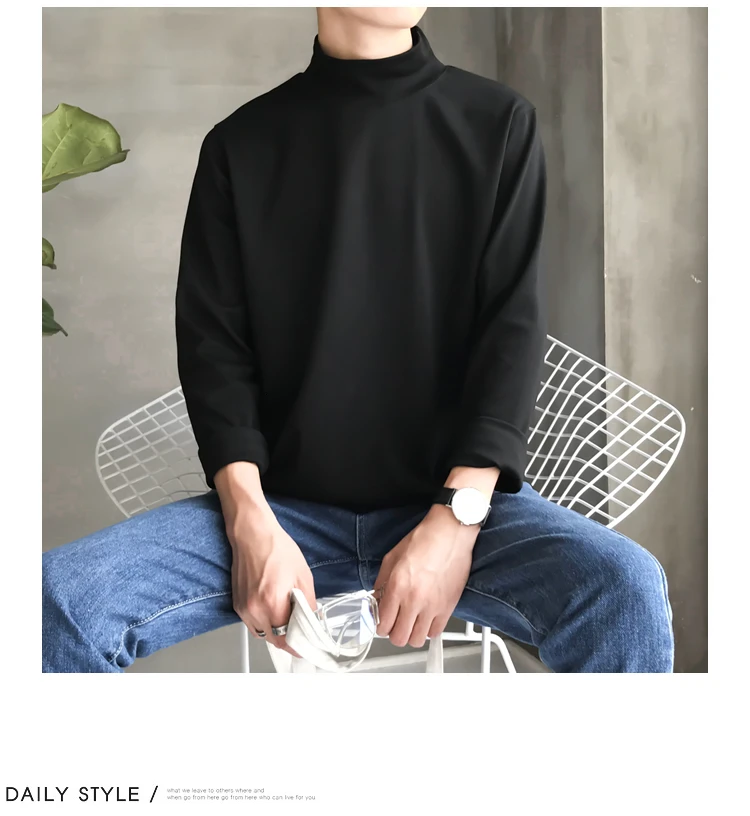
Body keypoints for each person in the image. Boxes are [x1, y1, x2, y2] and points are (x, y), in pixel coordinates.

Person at [42, 7, 674, 673]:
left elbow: (509, 335)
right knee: (59, 600)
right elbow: (214, 355)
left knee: (623, 590)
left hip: (459, 511)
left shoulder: (498, 123)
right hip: (280, 512)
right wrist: (250, 523)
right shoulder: (241, 144)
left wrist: (454, 522)